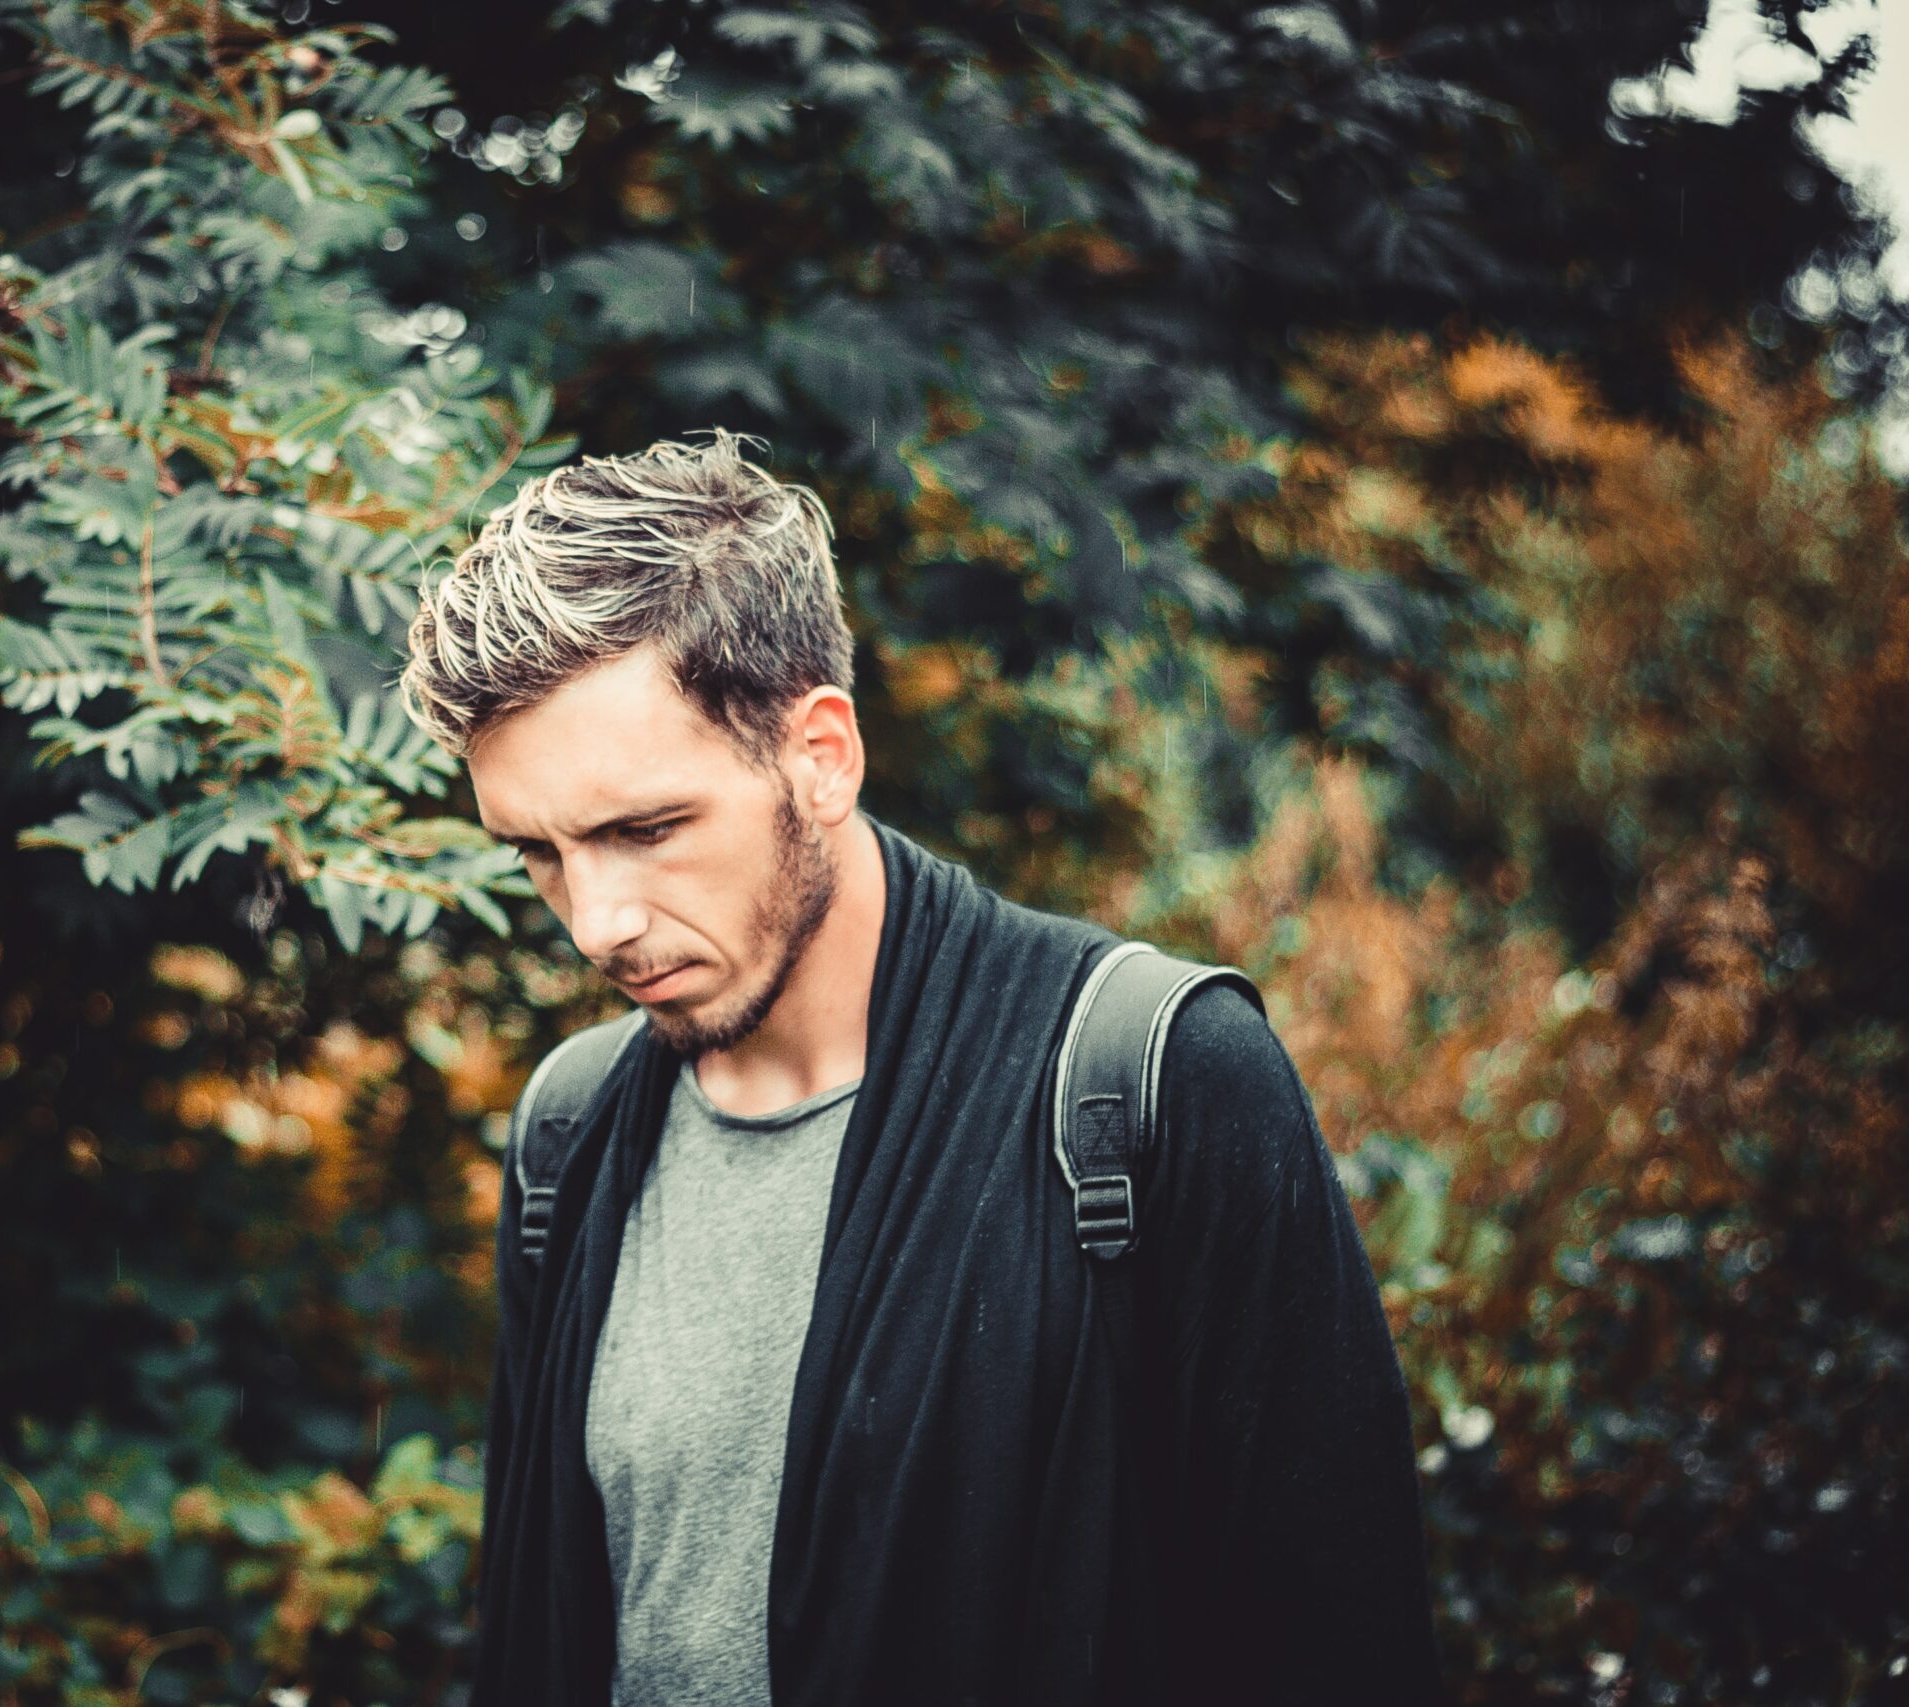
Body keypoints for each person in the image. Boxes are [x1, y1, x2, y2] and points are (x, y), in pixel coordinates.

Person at [395, 429, 1444, 1707]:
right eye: (540, 854)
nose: (596, 920)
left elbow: (1340, 1643)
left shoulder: (1151, 1080)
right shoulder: (571, 1135)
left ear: (819, 756)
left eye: (647, 829)